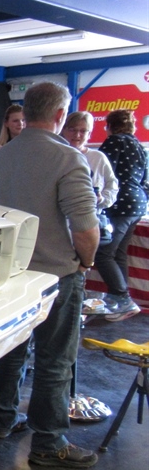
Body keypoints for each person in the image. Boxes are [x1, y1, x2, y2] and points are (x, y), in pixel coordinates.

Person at [0, 81, 99, 469]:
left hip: (10, 274)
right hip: (55, 275)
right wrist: (85, 262)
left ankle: (3, 419)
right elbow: (85, 229)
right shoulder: (67, 158)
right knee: (54, 360)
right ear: (60, 115)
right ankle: (48, 442)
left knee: (12, 349)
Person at [96, 109, 148, 322]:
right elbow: (144, 179)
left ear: (109, 126)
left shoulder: (114, 142)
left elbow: (103, 173)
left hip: (120, 204)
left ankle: (123, 299)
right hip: (138, 204)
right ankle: (120, 302)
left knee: (103, 253)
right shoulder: (139, 146)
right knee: (118, 254)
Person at [61, 111, 118, 209]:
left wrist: (101, 199)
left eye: (83, 131)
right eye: (72, 129)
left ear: (89, 134)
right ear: (63, 130)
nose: (77, 135)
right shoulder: (55, 155)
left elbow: (112, 186)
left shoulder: (98, 158)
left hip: (91, 212)